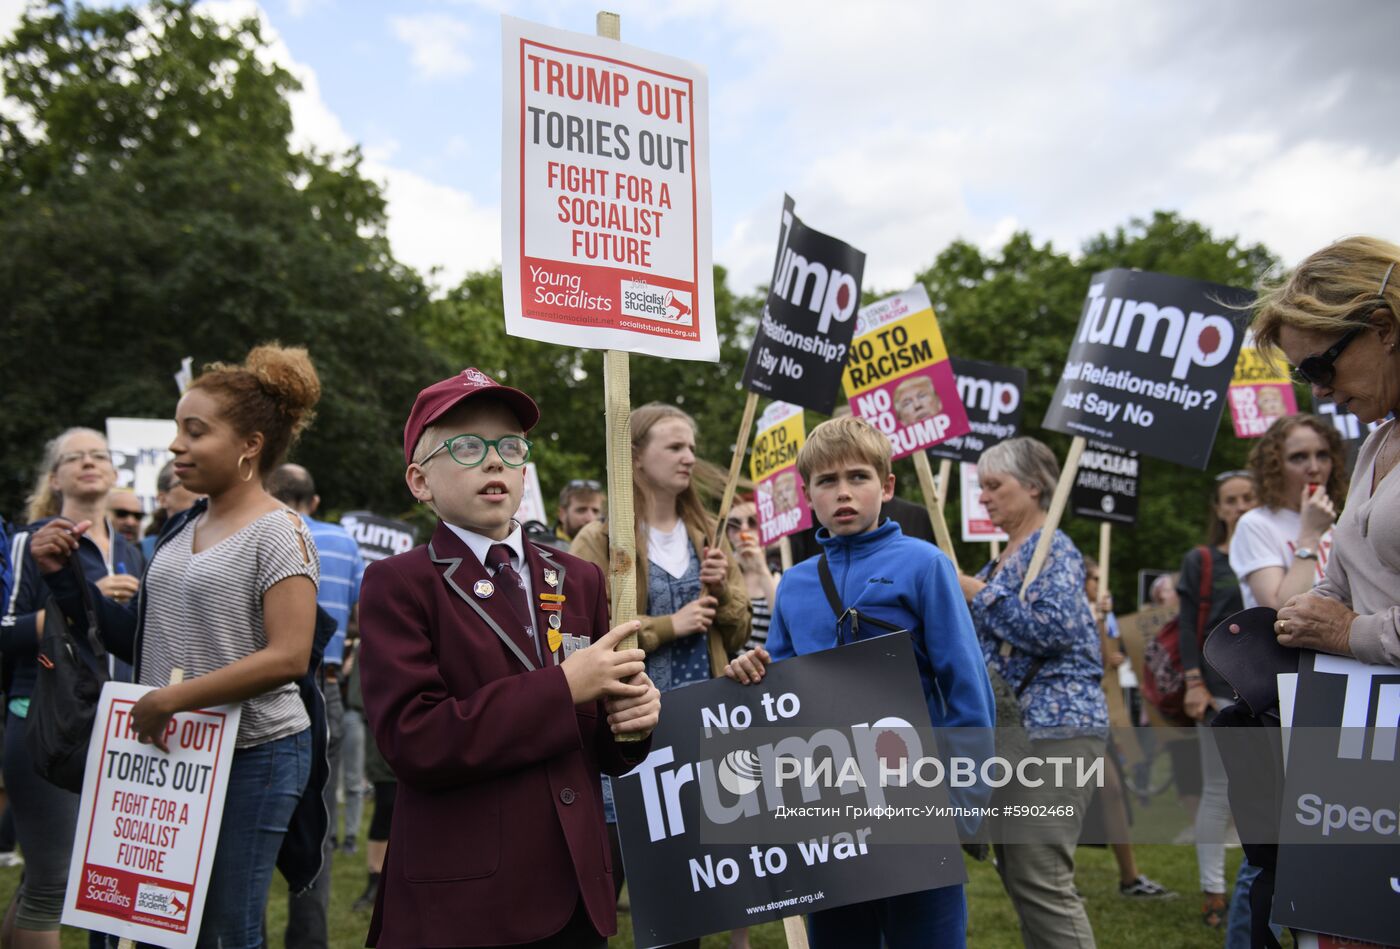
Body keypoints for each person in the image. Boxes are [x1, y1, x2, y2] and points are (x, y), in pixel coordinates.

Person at [28, 345, 328, 949]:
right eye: (175, 431)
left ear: (250, 443)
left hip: (256, 754)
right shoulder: (181, 528)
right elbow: (135, 637)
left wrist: (174, 699)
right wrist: (66, 580)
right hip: (176, 753)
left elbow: (289, 656)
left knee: (225, 930)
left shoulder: (280, 531)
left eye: (195, 431)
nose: (175, 447)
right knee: (159, 924)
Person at [357, 367, 660, 948]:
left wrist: (633, 722)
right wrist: (563, 688)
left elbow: (603, 749)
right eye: (467, 447)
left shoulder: (580, 578)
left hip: (575, 888)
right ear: (420, 481)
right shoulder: (400, 582)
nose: (494, 460)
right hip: (467, 900)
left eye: (509, 446)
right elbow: (415, 740)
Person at [724, 415, 995, 949]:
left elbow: (966, 685)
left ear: (887, 486)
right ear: (808, 496)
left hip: (918, 796)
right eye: (827, 482)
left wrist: (967, 797)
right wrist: (748, 673)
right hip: (831, 804)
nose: (843, 492)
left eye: (858, 477)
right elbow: (780, 689)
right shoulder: (796, 583)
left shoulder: (925, 565)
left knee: (928, 936)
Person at [571, 403, 748, 938]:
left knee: (681, 904)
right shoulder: (598, 539)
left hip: (697, 735)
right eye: (674, 447)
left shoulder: (707, 534)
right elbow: (589, 632)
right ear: (636, 457)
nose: (689, 457)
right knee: (598, 896)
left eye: (691, 447)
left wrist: (721, 590)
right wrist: (672, 624)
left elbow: (735, 632)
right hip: (624, 736)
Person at [957, 436, 1108, 949]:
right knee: (1021, 876)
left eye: (995, 486)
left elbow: (1056, 630)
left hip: (1057, 731)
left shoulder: (1055, 549)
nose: (984, 498)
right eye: (982, 488)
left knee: (1041, 878)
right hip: (1021, 735)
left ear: (1034, 486)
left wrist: (977, 592)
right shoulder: (1004, 560)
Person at [0, 427, 143, 949]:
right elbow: (4, 631)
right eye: (74, 457)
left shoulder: (132, 550)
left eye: (99, 455)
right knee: (55, 880)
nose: (89, 462)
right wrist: (82, 601)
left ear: (114, 472)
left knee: (45, 876)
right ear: (54, 476)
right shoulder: (28, 542)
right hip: (42, 719)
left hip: (117, 729)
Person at [1249, 237, 1400, 668]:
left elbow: (1345, 623)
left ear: (1383, 328)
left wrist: (1348, 632)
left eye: (1318, 366)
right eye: (1302, 376)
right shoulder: (1375, 445)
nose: (1318, 390)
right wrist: (1300, 618)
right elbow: (1340, 585)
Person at [266, 463, 366, 949]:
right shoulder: (345, 544)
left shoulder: (257, 531)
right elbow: (360, 614)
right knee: (318, 826)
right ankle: (309, 941)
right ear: (315, 500)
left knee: (245, 823)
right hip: (323, 686)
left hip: (257, 682)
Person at [1176, 471, 1257, 931]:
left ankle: (1259, 887)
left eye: (1248, 498)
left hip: (1272, 694)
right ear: (1219, 509)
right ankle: (1213, 892)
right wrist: (1193, 681)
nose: (1240, 506)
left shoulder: (1274, 554)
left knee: (1268, 796)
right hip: (1218, 692)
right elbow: (1188, 625)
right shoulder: (1203, 560)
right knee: (1218, 794)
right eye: (1231, 500)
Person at [1081, 556, 1173, 901]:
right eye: (1093, 579)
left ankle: (1129, 877)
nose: (1098, 586)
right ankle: (1053, 877)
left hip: (1097, 717)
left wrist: (1106, 629)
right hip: (1067, 720)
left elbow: (1109, 657)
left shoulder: (1103, 618)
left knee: (1112, 792)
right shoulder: (1069, 613)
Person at [1228, 414, 1345, 614]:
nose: (1314, 468)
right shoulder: (1256, 524)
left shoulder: (1334, 527)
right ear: (1274, 466)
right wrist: (1310, 536)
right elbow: (1280, 611)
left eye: (1323, 455)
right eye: (1299, 457)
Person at [724, 497, 778, 654]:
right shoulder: (720, 571)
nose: (744, 529)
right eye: (734, 525)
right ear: (728, 534)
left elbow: (785, 624)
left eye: (753, 522)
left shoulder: (779, 574)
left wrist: (761, 569)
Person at [140, 458, 202, 562]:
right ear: (163, 499)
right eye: (186, 481)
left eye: (203, 480)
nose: (201, 488)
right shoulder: (142, 552)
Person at [555, 478, 605, 545]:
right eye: (581, 510)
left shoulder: (612, 550)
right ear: (562, 514)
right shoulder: (541, 549)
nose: (590, 519)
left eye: (595, 511)